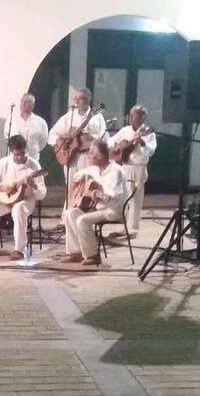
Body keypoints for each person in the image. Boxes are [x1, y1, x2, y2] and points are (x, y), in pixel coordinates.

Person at [0, 135, 47, 260]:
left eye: (23, 154)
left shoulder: (34, 165)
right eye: (17, 154)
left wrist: (34, 186)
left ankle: (19, 250)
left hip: (26, 200)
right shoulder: (4, 163)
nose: (21, 157)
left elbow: (42, 194)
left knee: (18, 209)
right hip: (6, 198)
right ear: (11, 152)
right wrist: (1, 187)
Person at [61, 140, 128, 266]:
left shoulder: (116, 171)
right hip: (100, 209)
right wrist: (79, 180)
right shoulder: (94, 169)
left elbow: (115, 197)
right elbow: (81, 174)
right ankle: (76, 252)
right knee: (69, 213)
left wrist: (98, 195)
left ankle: (93, 256)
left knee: (82, 220)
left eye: (91, 153)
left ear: (100, 156)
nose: (88, 156)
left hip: (113, 210)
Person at [48, 88, 106, 216]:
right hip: (70, 156)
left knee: (86, 186)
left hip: (88, 156)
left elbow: (104, 138)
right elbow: (52, 134)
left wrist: (92, 137)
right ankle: (66, 217)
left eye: (81, 99)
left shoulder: (97, 117)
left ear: (88, 100)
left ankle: (82, 216)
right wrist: (60, 142)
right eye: (76, 99)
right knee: (70, 186)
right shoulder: (69, 116)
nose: (77, 101)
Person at [108, 105, 157, 235]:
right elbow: (111, 141)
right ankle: (123, 226)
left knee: (135, 198)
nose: (131, 118)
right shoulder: (125, 130)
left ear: (142, 117)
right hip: (124, 166)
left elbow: (151, 150)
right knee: (124, 197)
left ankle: (133, 229)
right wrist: (116, 146)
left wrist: (142, 143)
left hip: (138, 167)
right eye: (130, 115)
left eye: (134, 115)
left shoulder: (148, 132)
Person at [4, 93, 48, 161]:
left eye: (27, 102)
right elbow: (7, 136)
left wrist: (33, 150)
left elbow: (43, 140)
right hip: (14, 159)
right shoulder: (12, 119)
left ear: (32, 106)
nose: (23, 103)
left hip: (32, 158)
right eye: (22, 101)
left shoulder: (40, 122)